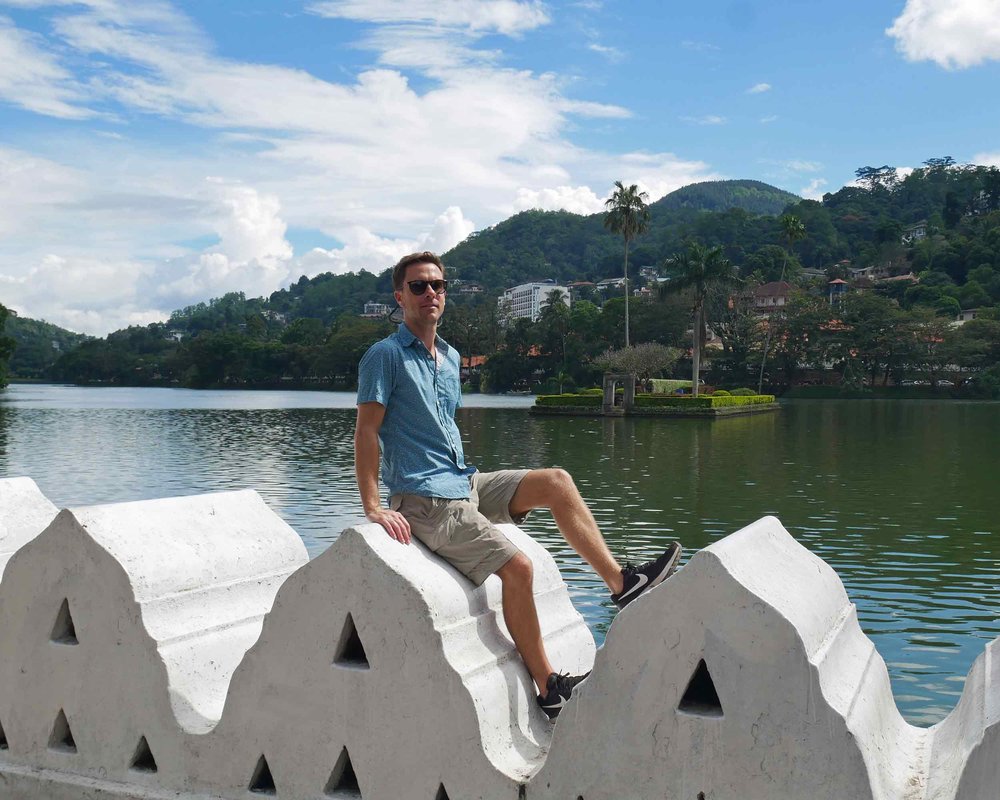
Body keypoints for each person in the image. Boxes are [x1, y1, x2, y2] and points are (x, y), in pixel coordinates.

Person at [355, 251, 682, 720]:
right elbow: (367, 431)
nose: (430, 293)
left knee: (556, 482)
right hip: (425, 500)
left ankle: (621, 582)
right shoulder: (384, 356)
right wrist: (372, 506)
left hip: (463, 482)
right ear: (399, 295)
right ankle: (549, 687)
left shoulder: (449, 357)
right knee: (520, 568)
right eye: (419, 286)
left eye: (438, 285)